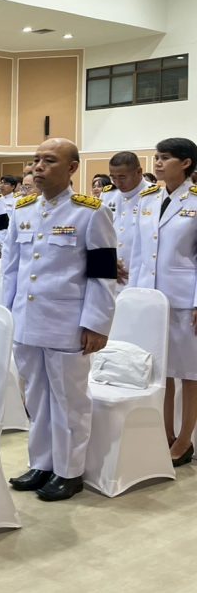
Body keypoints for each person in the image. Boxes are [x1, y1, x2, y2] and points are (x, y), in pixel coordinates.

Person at [2, 138, 117, 501]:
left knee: (69, 401)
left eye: (49, 160)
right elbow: (11, 270)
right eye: (36, 160)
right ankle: (42, 463)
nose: (38, 167)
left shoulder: (90, 212)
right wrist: (7, 317)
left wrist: (96, 323)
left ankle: (69, 471)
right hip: (27, 321)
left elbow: (103, 274)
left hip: (67, 322)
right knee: (36, 397)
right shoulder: (22, 210)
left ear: (72, 168)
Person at [128, 137, 197, 466]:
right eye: (156, 157)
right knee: (161, 371)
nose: (157, 163)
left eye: (165, 157)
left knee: (190, 372)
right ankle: (165, 434)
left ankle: (185, 440)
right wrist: (133, 295)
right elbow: (139, 252)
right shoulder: (148, 199)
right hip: (150, 299)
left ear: (185, 163)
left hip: (185, 300)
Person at [103, 152, 147, 285]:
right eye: (113, 177)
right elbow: (101, 233)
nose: (117, 182)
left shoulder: (155, 195)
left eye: (122, 177)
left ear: (139, 172)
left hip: (141, 274)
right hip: (112, 273)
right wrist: (107, 261)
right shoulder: (108, 195)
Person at [0, 175, 20, 259]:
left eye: (5, 183)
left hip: (8, 236)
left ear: (13, 186)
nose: (1, 185)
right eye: (0, 183)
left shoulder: (17, 201)